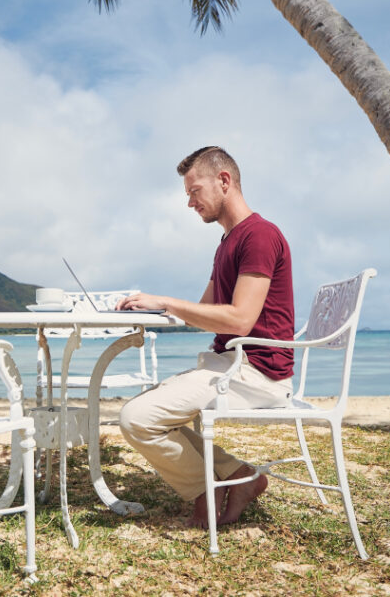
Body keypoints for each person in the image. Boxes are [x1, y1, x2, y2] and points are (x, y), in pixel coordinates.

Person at [116, 145, 294, 528]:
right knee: (153, 410)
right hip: (230, 364)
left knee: (136, 418)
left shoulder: (260, 236)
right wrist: (154, 307)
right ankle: (238, 476)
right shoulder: (228, 241)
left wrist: (167, 301)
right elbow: (206, 311)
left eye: (194, 191)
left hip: (257, 372)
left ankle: (205, 487)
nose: (190, 202)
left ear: (224, 181)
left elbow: (240, 320)